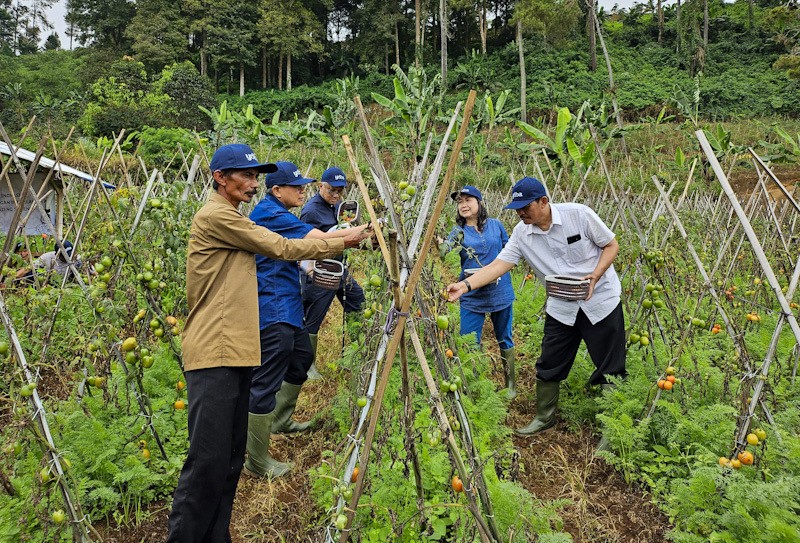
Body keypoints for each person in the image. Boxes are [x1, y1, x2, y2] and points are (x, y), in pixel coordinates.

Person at [167, 144, 365, 543]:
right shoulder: (216, 216)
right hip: (214, 351)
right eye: (247, 175)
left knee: (228, 460)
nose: (254, 183)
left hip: (236, 349)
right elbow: (282, 247)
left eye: (257, 176)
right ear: (220, 177)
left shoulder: (232, 215)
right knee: (207, 462)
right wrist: (341, 241)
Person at [445, 177, 625, 436]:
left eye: (525, 207)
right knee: (550, 362)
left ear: (544, 201)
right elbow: (498, 265)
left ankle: (612, 431)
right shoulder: (522, 233)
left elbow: (611, 244)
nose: (520, 213)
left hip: (600, 301)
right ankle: (545, 417)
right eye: (516, 208)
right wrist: (465, 286)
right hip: (562, 306)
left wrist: (596, 274)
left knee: (610, 366)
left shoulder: (579, 215)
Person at [246, 162, 372, 478]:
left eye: (304, 185)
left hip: (286, 300)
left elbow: (298, 251)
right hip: (272, 304)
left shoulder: (280, 215)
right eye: (297, 185)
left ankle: (281, 419)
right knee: (266, 380)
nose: (303, 190)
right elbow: (317, 240)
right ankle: (256, 461)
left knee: (302, 357)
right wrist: (357, 233)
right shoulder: (271, 214)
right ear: (277, 190)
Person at [442, 186, 517, 399]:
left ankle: (510, 386)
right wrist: (441, 245)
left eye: (468, 200)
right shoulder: (458, 232)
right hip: (471, 293)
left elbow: (510, 251)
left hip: (500, 290)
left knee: (505, 337)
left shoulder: (496, 225)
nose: (463, 205)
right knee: (469, 341)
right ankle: (474, 386)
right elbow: (444, 251)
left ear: (479, 202)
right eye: (459, 202)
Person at [299, 167, 366, 379]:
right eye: (331, 190)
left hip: (338, 268)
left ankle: (352, 355)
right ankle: (306, 367)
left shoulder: (336, 206)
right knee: (313, 318)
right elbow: (306, 245)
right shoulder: (311, 211)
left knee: (357, 299)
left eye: (340, 191)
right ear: (321, 186)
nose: (336, 195)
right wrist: (309, 270)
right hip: (319, 271)